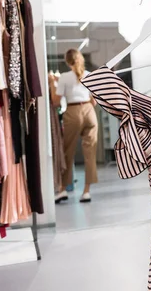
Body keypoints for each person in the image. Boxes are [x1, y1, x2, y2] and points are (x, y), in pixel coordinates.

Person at [49, 49, 98, 204]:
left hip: (72, 111)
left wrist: (52, 84)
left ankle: (63, 189)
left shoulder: (63, 77)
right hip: (89, 112)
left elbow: (56, 101)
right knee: (90, 154)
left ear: (67, 61)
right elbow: (94, 101)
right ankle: (86, 192)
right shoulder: (89, 75)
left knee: (67, 152)